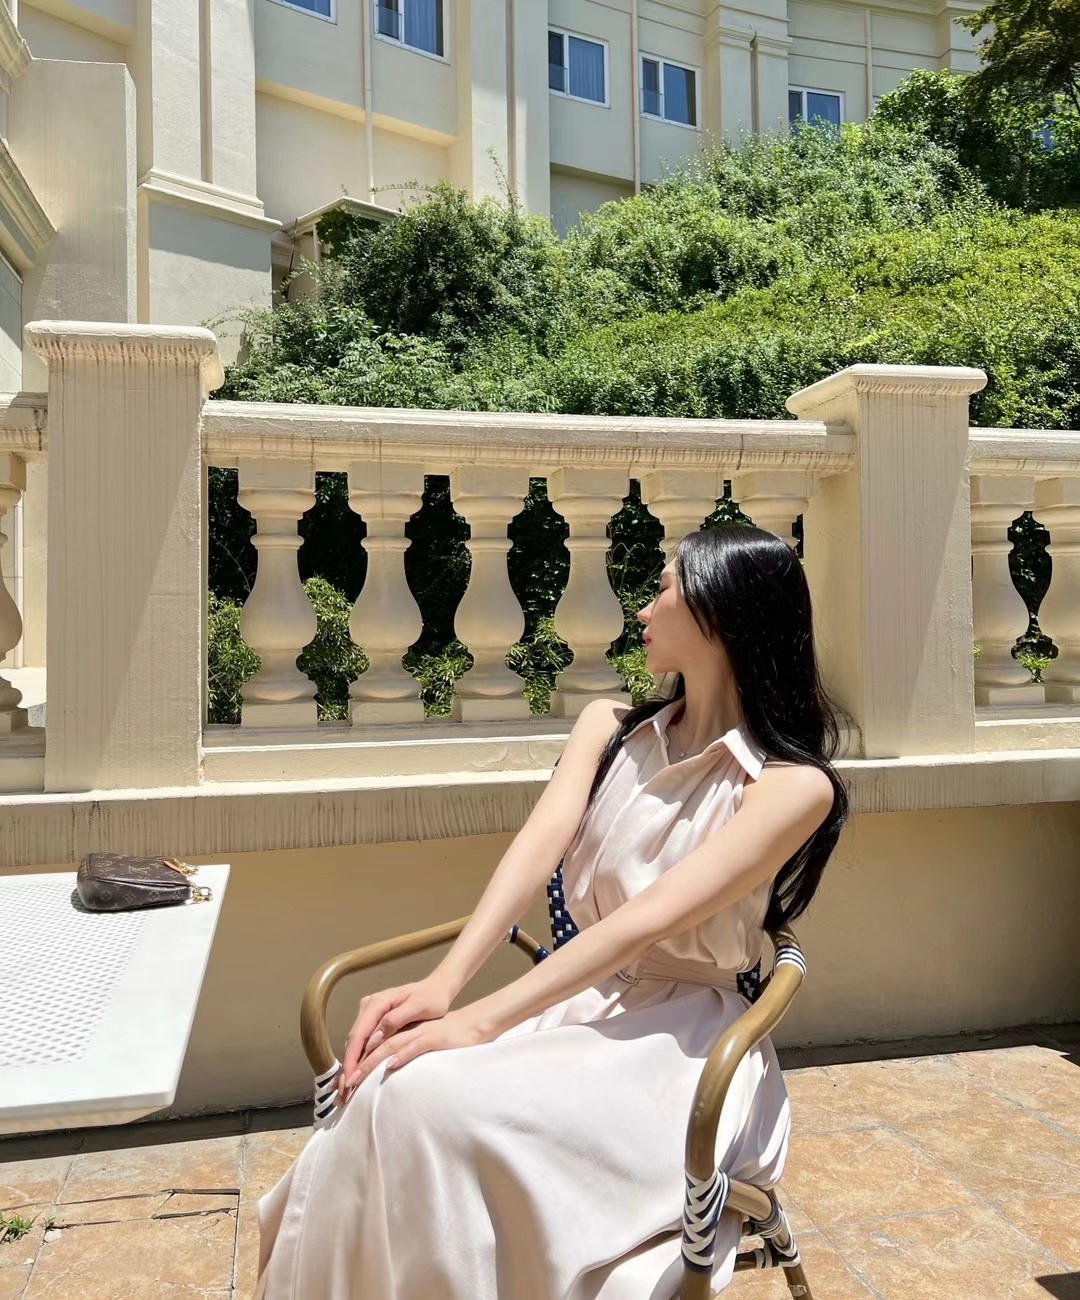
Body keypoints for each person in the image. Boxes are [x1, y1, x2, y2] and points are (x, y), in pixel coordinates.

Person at [255, 524, 848, 1300]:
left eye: (664, 588)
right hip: (577, 1004)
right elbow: (535, 849)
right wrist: (443, 986)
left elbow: (644, 922)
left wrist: (481, 1021)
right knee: (389, 1088)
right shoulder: (610, 729)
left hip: (680, 1050)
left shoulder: (792, 787)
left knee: (433, 1104)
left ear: (720, 611)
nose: (644, 608)